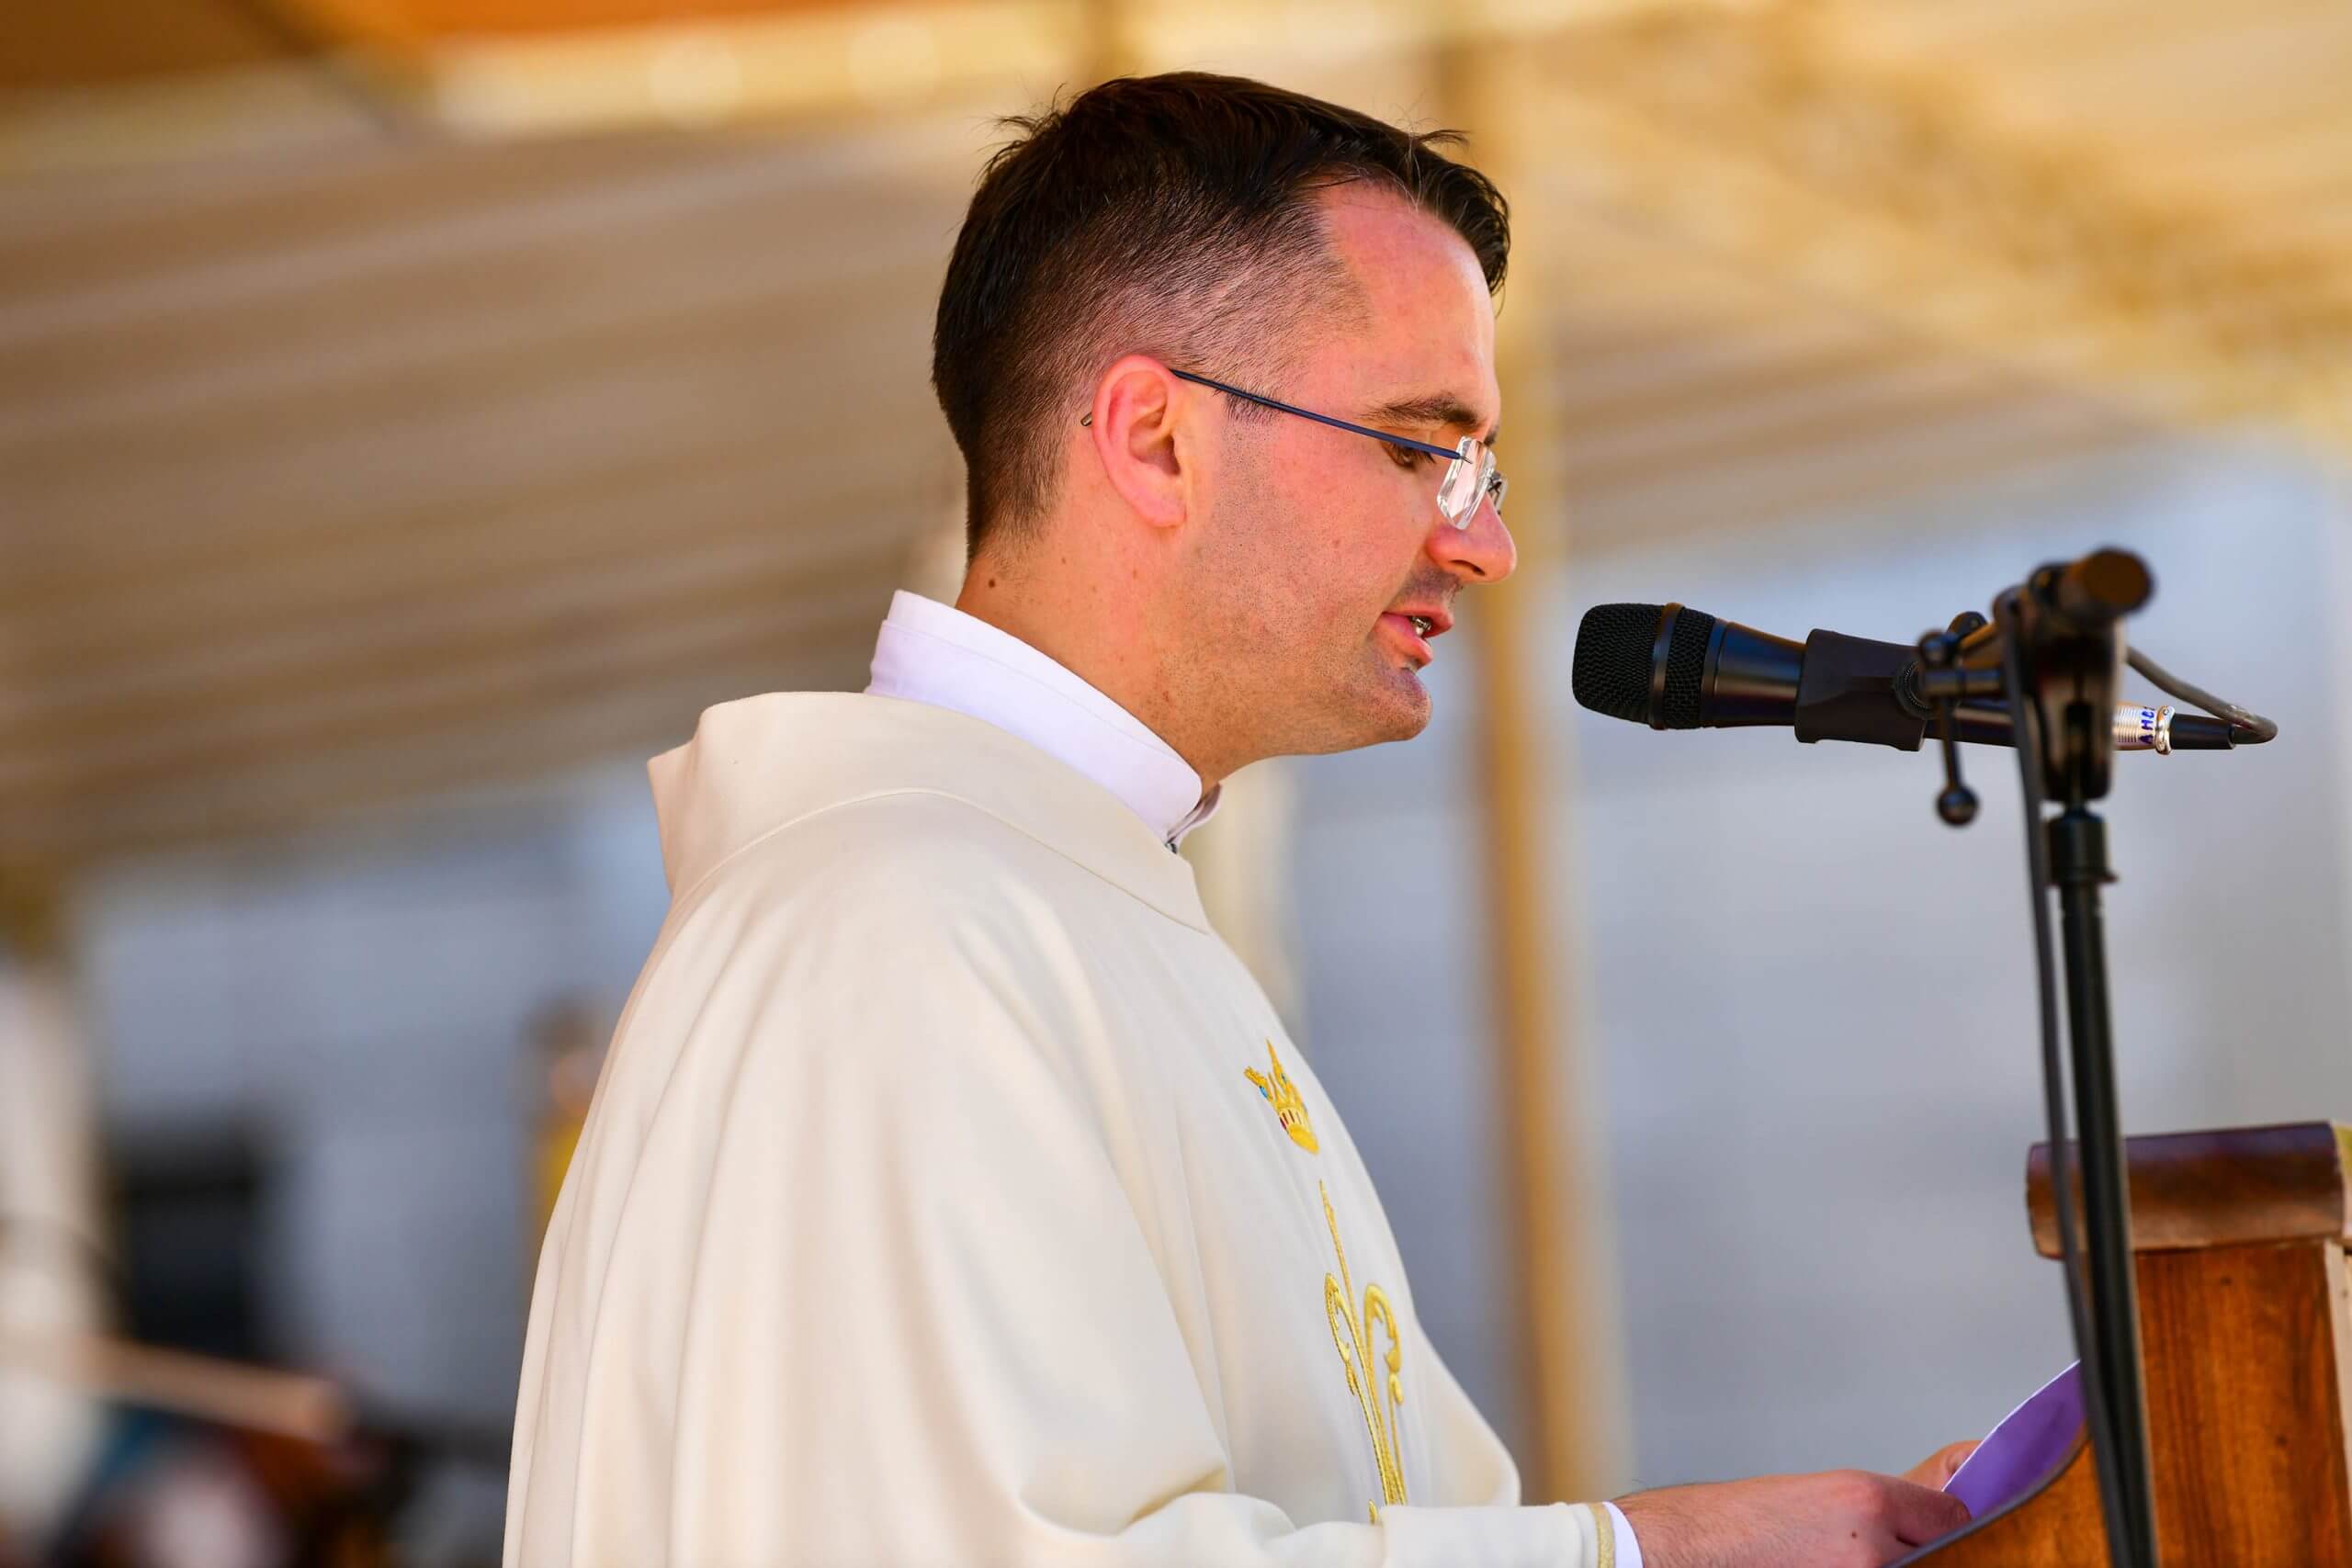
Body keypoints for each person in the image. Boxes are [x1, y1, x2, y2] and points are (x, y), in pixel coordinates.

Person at [503, 73, 1976, 1568]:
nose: (1487, 543)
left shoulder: (1058, 903)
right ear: (1154, 440)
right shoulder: (899, 929)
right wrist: (1656, 1558)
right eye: (1421, 448)